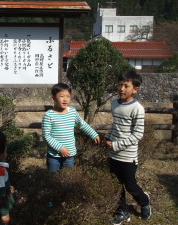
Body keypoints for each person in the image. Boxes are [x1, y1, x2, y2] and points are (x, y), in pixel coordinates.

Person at [103, 71, 151, 224]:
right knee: (115, 184)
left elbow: (137, 135)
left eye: (126, 86)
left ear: (135, 89)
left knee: (130, 185)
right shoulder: (114, 103)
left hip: (128, 156)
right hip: (113, 154)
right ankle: (122, 211)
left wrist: (116, 145)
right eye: (120, 85)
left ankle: (144, 201)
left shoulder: (137, 108)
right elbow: (116, 125)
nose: (122, 89)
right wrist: (108, 136)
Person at [42, 83, 100, 172]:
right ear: (53, 98)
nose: (65, 99)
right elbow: (46, 136)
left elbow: (82, 124)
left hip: (69, 155)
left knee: (68, 179)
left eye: (68, 96)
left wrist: (93, 134)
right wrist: (60, 148)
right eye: (61, 96)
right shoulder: (49, 115)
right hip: (54, 156)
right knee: (53, 180)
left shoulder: (72, 112)